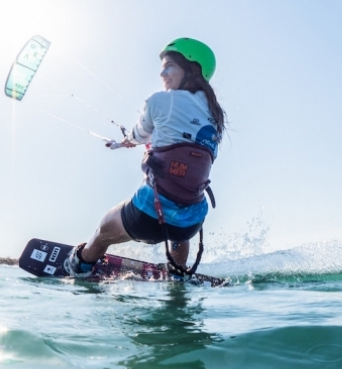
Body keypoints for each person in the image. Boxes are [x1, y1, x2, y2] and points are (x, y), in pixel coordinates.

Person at [64, 38, 227, 278]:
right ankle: (178, 275)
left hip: (147, 215)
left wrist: (124, 142)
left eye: (170, 65)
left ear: (192, 69)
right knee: (179, 228)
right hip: (191, 223)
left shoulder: (160, 100)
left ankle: (80, 265)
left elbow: (139, 134)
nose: (163, 72)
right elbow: (185, 148)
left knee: (102, 230)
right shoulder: (216, 116)